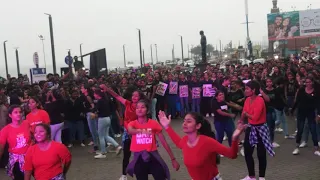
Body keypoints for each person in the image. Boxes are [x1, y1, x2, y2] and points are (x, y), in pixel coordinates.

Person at [158, 111, 245, 180]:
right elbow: (178, 143)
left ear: (198, 126)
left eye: (189, 121)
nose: (184, 123)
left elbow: (232, 154)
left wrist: (234, 138)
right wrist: (167, 127)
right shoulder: (185, 140)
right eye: (184, 121)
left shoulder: (207, 142)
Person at [126, 100, 180, 180]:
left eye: (142, 107)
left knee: (161, 176)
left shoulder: (154, 124)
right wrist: (143, 131)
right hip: (139, 158)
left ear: (147, 110)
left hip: (153, 156)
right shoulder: (132, 124)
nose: (139, 109)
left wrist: (173, 159)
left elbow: (164, 142)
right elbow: (130, 131)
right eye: (137, 108)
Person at [104, 86, 145, 180]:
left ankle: (141, 173)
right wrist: (108, 89)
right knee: (126, 154)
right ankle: (124, 174)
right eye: (133, 95)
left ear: (140, 98)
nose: (134, 97)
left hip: (137, 133)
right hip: (127, 133)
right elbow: (117, 96)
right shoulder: (127, 103)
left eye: (136, 96)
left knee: (140, 155)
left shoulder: (142, 107)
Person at [240, 81, 275, 180]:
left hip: (260, 129)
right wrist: (241, 121)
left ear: (253, 90)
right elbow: (244, 112)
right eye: (245, 88)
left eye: (247, 89)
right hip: (251, 128)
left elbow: (255, 117)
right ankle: (251, 176)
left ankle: (262, 177)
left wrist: (246, 115)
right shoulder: (247, 100)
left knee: (261, 153)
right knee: (247, 152)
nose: (245, 91)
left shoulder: (260, 100)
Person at [0, 105, 31, 180]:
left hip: (29, 158)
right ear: (10, 115)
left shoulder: (26, 123)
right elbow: (1, 148)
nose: (19, 114)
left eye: (20, 112)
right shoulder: (5, 130)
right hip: (16, 161)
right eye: (16, 112)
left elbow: (33, 137)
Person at [93, 89, 122, 159]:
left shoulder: (100, 102)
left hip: (102, 119)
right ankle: (117, 146)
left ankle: (103, 152)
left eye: (95, 94)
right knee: (106, 135)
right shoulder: (106, 100)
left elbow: (96, 110)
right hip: (108, 118)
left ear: (98, 95)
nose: (94, 95)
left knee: (101, 136)